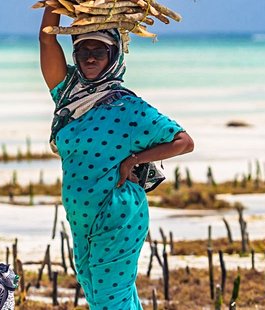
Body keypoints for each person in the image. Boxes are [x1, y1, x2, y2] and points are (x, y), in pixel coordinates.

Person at [39, 6, 195, 309]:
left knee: (111, 299)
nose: (91, 58)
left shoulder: (130, 108)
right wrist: (52, 5)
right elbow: (47, 41)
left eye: (100, 50)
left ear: (114, 55)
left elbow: (183, 142)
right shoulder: (69, 94)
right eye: (83, 50)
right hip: (81, 220)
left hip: (118, 215)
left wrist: (133, 160)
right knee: (101, 295)